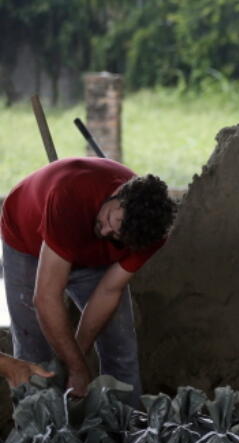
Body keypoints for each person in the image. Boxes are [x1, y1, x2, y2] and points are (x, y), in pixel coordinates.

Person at [1, 157, 176, 400]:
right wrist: (76, 367)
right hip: (27, 238)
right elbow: (45, 298)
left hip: (91, 256)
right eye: (112, 221)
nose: (105, 232)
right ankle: (38, 431)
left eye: (118, 237)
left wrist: (77, 361)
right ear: (120, 193)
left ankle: (126, 425)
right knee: (33, 347)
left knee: (120, 340)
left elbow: (109, 291)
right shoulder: (70, 195)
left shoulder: (149, 232)